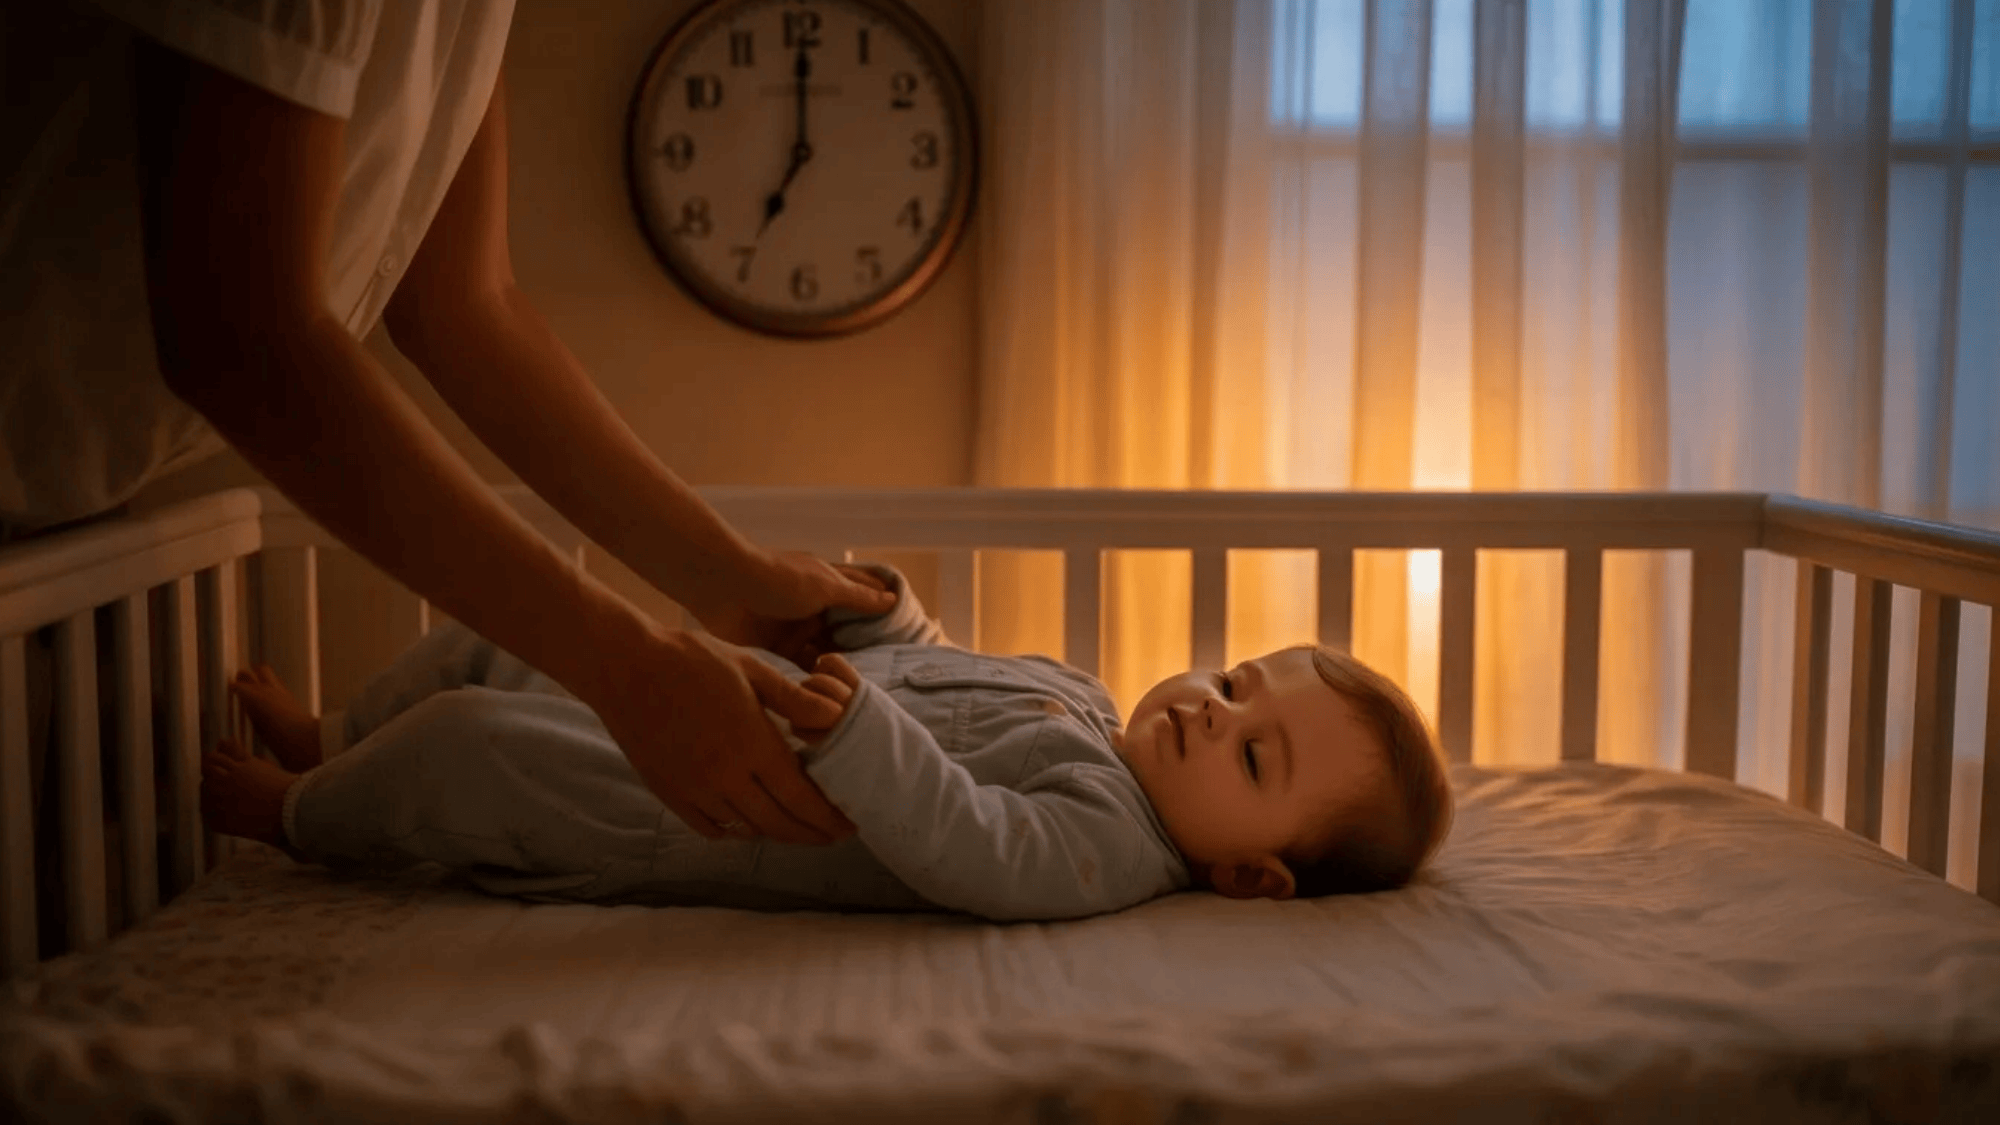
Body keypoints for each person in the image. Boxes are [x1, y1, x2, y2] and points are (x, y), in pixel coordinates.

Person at [1, 1, 892, 846]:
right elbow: (238, 335)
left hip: (53, 498)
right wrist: (629, 667)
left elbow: (464, 306)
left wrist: (724, 574)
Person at [201, 564, 1456, 922]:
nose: (1211, 712)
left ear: (1249, 875)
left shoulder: (1105, 850)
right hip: (713, 704)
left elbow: (975, 843)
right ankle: (334, 737)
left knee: (476, 745)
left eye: (1251, 757)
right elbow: (950, 670)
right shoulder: (1081, 695)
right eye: (1237, 683)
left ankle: (298, 818)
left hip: (695, 807)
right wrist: (892, 623)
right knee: (506, 632)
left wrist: (864, 734)